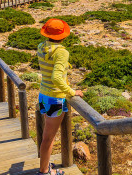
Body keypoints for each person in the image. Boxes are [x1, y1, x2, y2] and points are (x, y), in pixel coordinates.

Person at [36, 19, 84, 175]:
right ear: (63, 35)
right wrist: (71, 92)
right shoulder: (61, 52)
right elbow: (57, 77)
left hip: (43, 95)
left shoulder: (41, 47)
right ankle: (44, 171)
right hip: (55, 97)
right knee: (48, 139)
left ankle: (45, 166)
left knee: (47, 137)